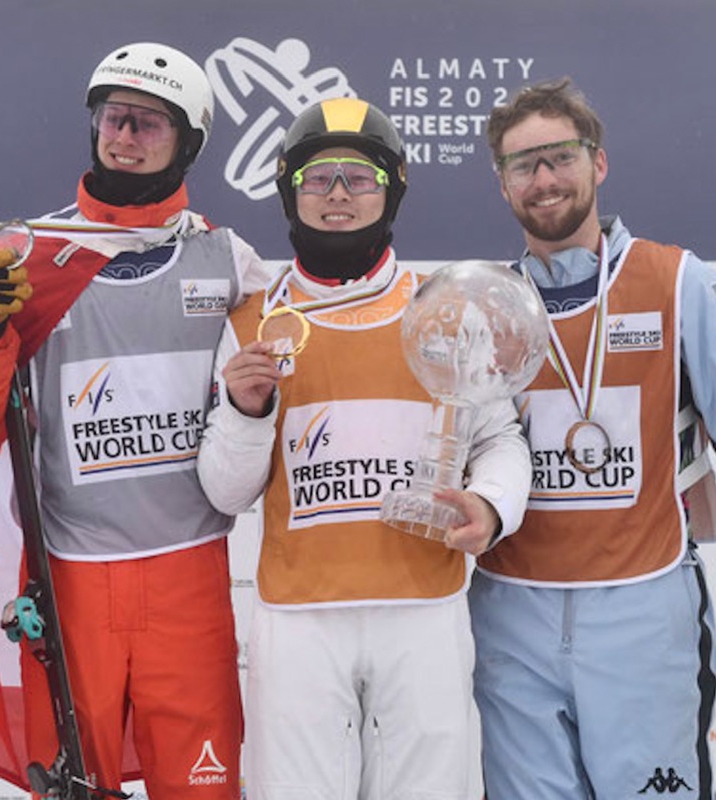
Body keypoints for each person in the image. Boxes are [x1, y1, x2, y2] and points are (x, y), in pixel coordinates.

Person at [471, 76, 716, 799]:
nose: (544, 179)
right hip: (512, 621)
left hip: (642, 613)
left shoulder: (676, 281)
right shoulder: (483, 306)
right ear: (503, 187)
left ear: (598, 163)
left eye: (559, 156)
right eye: (522, 165)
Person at [0, 42, 269, 800]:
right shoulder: (31, 255)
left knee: (205, 785)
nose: (124, 137)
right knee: (75, 786)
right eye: (114, 118)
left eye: (149, 125)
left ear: (189, 143)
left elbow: (264, 408)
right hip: (72, 578)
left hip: (189, 572)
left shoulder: (228, 260)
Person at [196, 96, 532, 800]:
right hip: (298, 617)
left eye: (360, 177)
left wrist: (491, 505)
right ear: (289, 189)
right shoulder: (255, 321)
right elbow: (226, 494)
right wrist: (244, 410)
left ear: (394, 188)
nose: (340, 196)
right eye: (319, 179)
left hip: (423, 607)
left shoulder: (443, 307)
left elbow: (500, 438)